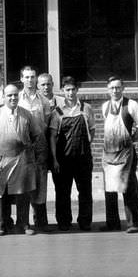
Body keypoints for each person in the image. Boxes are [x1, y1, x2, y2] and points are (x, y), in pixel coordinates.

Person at [0, 84, 44, 236]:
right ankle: (3, 225)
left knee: (23, 193)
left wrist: (31, 153)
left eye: (15, 95)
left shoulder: (27, 115)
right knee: (2, 194)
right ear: (4, 97)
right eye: (9, 95)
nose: (13, 98)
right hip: (2, 160)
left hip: (23, 159)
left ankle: (23, 224)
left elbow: (37, 135)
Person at [99, 77, 138, 233]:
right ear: (108, 89)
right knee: (110, 190)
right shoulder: (105, 106)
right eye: (112, 88)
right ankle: (112, 223)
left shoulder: (132, 105)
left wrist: (130, 140)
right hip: (109, 154)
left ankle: (134, 223)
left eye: (118, 87)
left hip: (126, 154)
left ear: (123, 88)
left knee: (129, 187)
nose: (115, 91)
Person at [48, 76, 96, 231]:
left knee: (85, 192)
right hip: (63, 159)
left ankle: (85, 221)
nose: (70, 92)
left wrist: (85, 147)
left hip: (83, 158)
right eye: (67, 90)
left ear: (77, 90)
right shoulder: (57, 112)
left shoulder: (86, 108)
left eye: (73, 89)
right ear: (63, 90)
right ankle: (64, 222)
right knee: (62, 193)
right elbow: (53, 137)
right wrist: (55, 159)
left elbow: (92, 130)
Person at [19, 66, 53, 232]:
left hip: (39, 146)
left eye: (32, 77)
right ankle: (24, 223)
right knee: (24, 184)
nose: (30, 80)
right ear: (21, 79)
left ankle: (41, 221)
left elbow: (46, 124)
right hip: (22, 147)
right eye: (27, 77)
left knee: (40, 184)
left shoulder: (44, 101)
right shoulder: (16, 98)